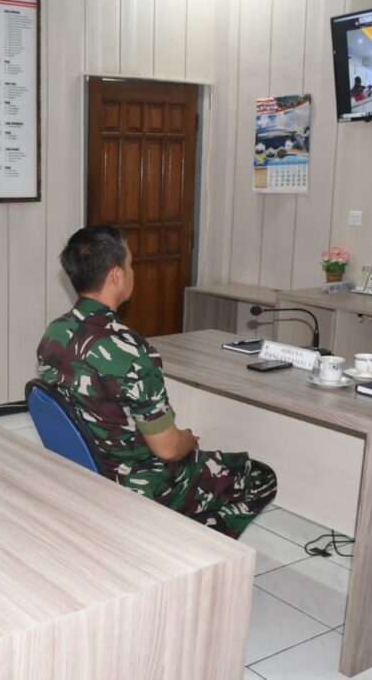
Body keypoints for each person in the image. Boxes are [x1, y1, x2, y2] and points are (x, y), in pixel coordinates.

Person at [36, 226, 277, 538]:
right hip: (143, 485)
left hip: (85, 471)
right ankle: (195, 551)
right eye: (130, 264)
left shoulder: (54, 333)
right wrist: (188, 439)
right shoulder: (131, 350)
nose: (132, 272)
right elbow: (168, 449)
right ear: (116, 275)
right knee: (259, 477)